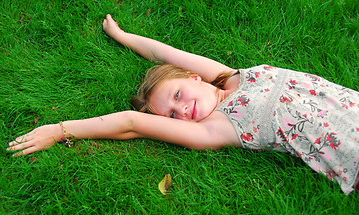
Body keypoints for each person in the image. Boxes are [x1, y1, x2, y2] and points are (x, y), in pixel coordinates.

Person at [7, 14, 359, 194]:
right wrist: (58, 129)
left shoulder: (232, 76)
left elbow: (166, 53)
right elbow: (131, 122)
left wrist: (122, 36)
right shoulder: (217, 127)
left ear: (193, 77)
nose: (182, 110)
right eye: (172, 115)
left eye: (177, 95)